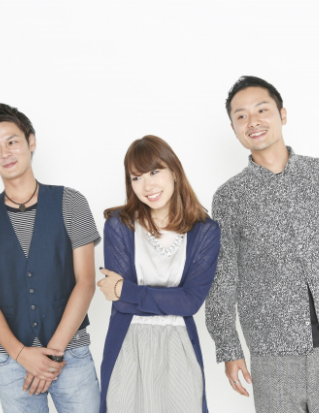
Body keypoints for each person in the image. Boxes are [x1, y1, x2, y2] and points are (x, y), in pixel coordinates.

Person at [205, 76, 319, 413]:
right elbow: (223, 278)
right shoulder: (230, 197)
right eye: (241, 116)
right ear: (234, 128)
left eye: (262, 110)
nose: (252, 121)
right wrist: (229, 348)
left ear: (282, 114)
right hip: (272, 354)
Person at [0, 101, 101, 412]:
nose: (5, 153)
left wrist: (53, 353)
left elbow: (86, 282)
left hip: (72, 354)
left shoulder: (72, 202)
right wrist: (21, 354)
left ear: (31, 141)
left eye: (12, 141)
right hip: (12, 361)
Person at [97, 135, 220, 413]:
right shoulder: (120, 226)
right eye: (137, 177)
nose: (147, 185)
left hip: (179, 347)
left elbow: (190, 302)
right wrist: (169, 298)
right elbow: (121, 304)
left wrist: (127, 289)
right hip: (126, 345)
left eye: (154, 172)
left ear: (174, 172)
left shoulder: (205, 231)